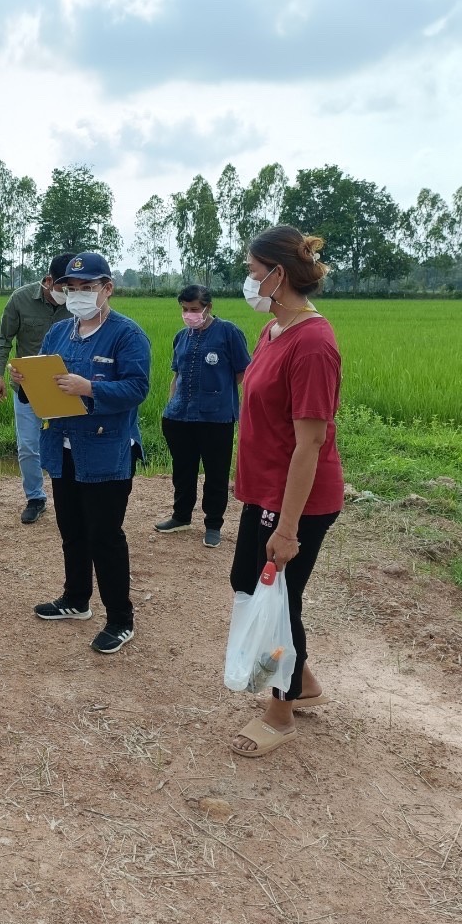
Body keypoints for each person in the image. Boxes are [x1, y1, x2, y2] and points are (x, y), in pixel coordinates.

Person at [228, 226, 344, 758]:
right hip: (266, 492)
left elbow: (311, 443)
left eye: (254, 272)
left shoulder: (314, 342)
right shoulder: (274, 331)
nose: (249, 282)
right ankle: (306, 681)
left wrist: (290, 528)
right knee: (253, 585)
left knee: (280, 599)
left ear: (279, 274)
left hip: (296, 500)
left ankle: (281, 708)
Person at [12, 251, 150, 654]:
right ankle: (76, 599)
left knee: (104, 536)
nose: (77, 295)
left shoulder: (127, 334)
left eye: (87, 288)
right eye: (70, 288)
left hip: (106, 451)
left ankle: (120, 618)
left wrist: (89, 388)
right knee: (71, 531)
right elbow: (42, 388)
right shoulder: (58, 333)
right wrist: (23, 380)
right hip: (63, 447)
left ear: (107, 288)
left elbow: (137, 389)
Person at [154, 285, 251, 548]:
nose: (189, 314)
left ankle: (213, 525)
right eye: (185, 310)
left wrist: (219, 392)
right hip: (180, 417)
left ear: (208, 307)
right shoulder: (181, 337)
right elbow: (177, 374)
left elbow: (244, 372)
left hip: (216, 418)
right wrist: (171, 404)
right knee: (182, 470)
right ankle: (181, 516)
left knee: (216, 474)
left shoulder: (228, 332)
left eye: (194, 309)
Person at [0, 254, 75, 524]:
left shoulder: (80, 305)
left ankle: (72, 495)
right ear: (49, 281)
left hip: (68, 386)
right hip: (27, 385)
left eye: (76, 288)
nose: (71, 294)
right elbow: (3, 338)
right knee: (28, 445)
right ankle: (35, 498)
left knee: (69, 444)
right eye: (66, 288)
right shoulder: (21, 298)